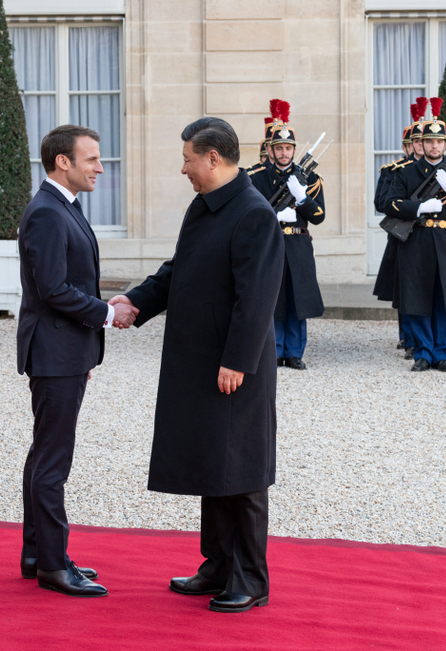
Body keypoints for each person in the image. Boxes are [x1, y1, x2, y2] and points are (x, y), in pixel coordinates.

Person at [109, 117, 284, 613]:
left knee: (243, 471)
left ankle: (249, 578)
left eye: (188, 158)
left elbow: (257, 298)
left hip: (233, 366)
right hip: (200, 359)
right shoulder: (204, 206)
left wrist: (237, 361)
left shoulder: (253, 214)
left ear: (213, 158)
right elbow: (179, 269)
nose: (182, 167)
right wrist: (137, 302)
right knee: (215, 463)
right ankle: (217, 565)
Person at [15, 124, 139, 597]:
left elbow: (70, 284)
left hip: (65, 349)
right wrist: (108, 314)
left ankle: (37, 554)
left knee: (43, 455)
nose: (100, 167)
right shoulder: (47, 211)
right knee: (52, 461)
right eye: (91, 159)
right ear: (62, 161)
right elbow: (53, 289)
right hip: (54, 352)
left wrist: (91, 335)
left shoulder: (62, 206)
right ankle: (52, 565)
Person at [382, 97, 446, 372]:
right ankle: (423, 353)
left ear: (444, 144)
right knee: (418, 298)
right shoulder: (406, 172)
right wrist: (420, 207)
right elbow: (390, 203)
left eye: (439, 141)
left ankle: (442, 353)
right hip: (417, 240)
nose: (435, 146)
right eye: (429, 141)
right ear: (421, 144)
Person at [249, 99, 325, 370]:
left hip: (297, 243)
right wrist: (273, 216)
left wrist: (302, 199)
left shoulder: (309, 179)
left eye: (288, 148)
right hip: (270, 244)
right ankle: (274, 349)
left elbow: (319, 217)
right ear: (270, 149)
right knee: (273, 298)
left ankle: (294, 352)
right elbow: (248, 214)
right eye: (279, 148)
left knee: (297, 299)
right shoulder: (255, 177)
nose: (284, 153)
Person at [374, 100, 425, 358]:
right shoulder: (394, 171)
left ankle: (420, 339)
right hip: (402, 234)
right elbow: (382, 202)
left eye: (421, 141)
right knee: (406, 289)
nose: (418, 145)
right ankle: (408, 336)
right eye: (414, 142)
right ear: (407, 145)